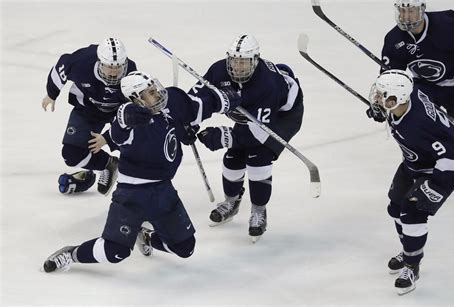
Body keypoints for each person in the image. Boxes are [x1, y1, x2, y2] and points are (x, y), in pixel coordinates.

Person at [42, 71, 241, 273]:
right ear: (136, 100)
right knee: (115, 252)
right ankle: (71, 253)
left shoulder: (171, 101)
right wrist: (124, 116)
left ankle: (145, 236)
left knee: (185, 248)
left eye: (155, 89)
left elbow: (197, 107)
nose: (158, 94)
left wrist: (223, 101)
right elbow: (120, 127)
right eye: (150, 93)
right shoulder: (131, 120)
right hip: (132, 195)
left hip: (164, 189)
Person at [190, 34, 304, 242]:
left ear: (255, 60)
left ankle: (259, 211)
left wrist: (226, 137)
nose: (238, 67)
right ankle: (232, 201)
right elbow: (195, 99)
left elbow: (258, 132)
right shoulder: (218, 70)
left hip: (283, 117)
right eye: (234, 61)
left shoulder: (268, 84)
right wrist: (188, 121)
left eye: (243, 62)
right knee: (232, 159)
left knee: (258, 158)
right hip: (251, 116)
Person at [368, 69, 454, 295]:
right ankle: (408, 250)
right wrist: (383, 110)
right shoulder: (406, 98)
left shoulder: (420, 123)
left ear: (397, 98)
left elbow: (453, 156)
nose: (377, 98)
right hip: (414, 162)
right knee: (394, 208)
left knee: (412, 214)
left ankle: (412, 265)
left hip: (442, 169)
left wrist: (435, 186)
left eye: (382, 96)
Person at [367, 0, 454, 160]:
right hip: (427, 87)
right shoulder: (394, 39)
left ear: (421, 10)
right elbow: (390, 76)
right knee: (411, 114)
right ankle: (421, 155)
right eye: (402, 11)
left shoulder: (445, 24)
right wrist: (382, 104)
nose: (406, 17)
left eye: (411, 11)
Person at [41, 38, 137, 196]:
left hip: (118, 114)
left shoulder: (131, 74)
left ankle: (142, 195)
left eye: (118, 67)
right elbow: (61, 66)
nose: (114, 72)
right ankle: (108, 164)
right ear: (100, 62)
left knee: (139, 154)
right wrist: (52, 94)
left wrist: (107, 138)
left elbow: (131, 114)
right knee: (71, 155)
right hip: (87, 110)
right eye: (109, 67)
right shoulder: (82, 62)